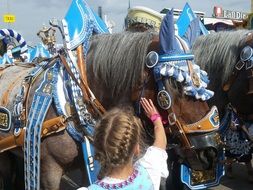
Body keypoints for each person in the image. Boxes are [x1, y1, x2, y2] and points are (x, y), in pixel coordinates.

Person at [78, 98, 168, 190]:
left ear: (99, 149)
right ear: (137, 148)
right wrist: (155, 118)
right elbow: (161, 142)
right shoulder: (150, 171)